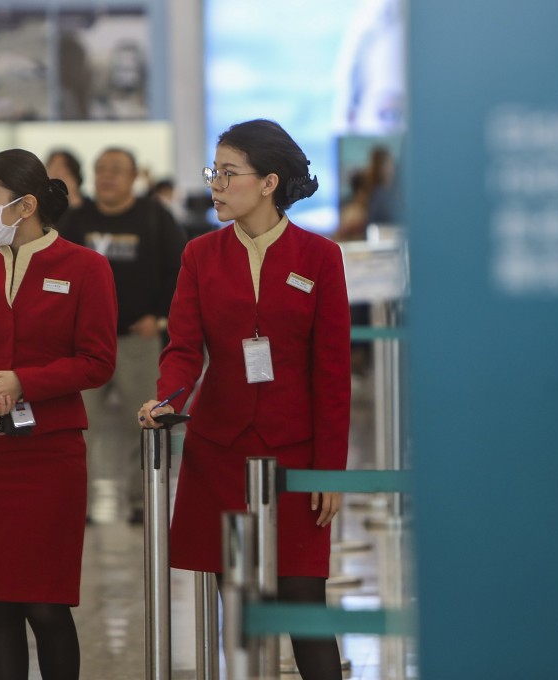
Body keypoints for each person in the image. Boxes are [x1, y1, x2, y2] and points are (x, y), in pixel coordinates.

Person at [138, 119, 351, 680]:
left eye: (227, 173)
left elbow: (332, 371)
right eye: (214, 172)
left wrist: (330, 470)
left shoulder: (320, 257)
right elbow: (183, 348)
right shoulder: (200, 256)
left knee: (304, 600)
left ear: (268, 182)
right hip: (223, 453)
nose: (215, 184)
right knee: (243, 607)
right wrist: (168, 398)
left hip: (296, 457)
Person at [0, 149, 117, 679]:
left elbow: (97, 360)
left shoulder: (86, 268)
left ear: (25, 204)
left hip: (50, 452)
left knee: (46, 603)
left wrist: (24, 382)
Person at [63, 148, 186, 524]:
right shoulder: (74, 221)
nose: (107, 177)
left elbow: (179, 272)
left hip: (137, 341)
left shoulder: (154, 218)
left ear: (133, 177)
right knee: (77, 430)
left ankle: (141, 501)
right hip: (84, 345)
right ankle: (74, 506)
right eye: (100, 170)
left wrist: (161, 318)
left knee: (146, 425)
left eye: (116, 170)